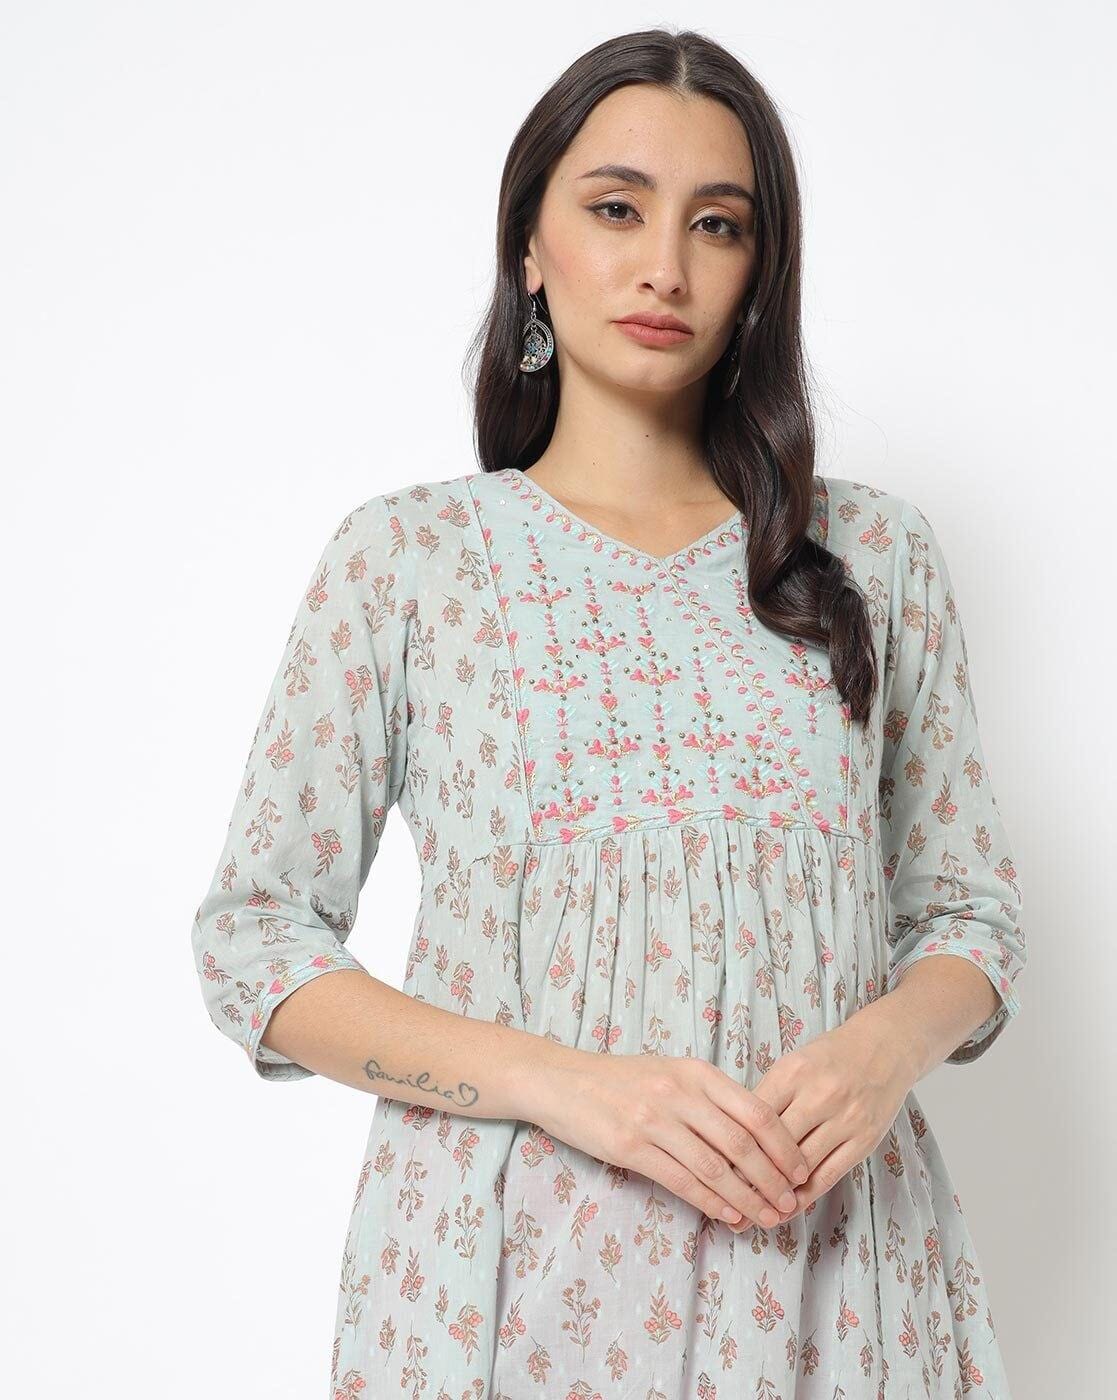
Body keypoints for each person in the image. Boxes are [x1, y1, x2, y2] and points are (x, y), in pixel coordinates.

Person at [190, 26, 1026, 1398]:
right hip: (502, 1281)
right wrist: (564, 1083)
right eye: (617, 209)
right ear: (531, 244)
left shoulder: (873, 558)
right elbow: (254, 942)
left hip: (832, 1282)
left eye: (718, 224)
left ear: (761, 269)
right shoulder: (410, 561)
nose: (666, 269)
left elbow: (968, 913)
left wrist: (884, 1050)